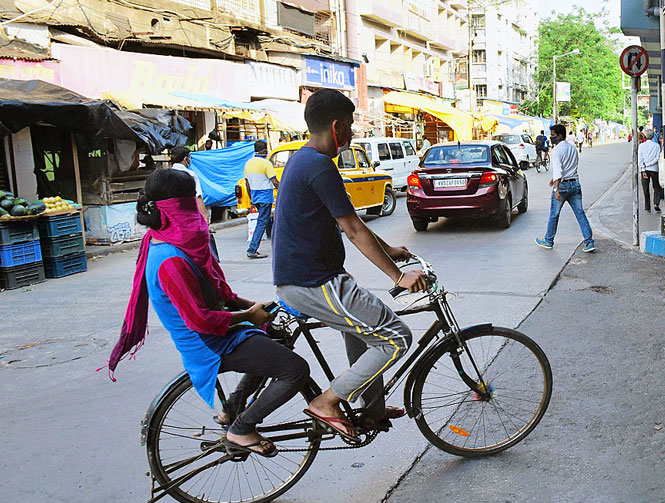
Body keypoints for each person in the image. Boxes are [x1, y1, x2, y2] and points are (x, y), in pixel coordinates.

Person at [108, 168, 309, 457]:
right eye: (189, 204)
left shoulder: (173, 242)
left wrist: (253, 306)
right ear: (175, 209)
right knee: (296, 369)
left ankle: (232, 409)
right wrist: (249, 316)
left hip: (219, 328)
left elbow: (220, 293)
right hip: (208, 341)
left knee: (278, 337)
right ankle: (242, 428)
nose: (196, 213)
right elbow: (201, 319)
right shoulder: (169, 259)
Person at [272, 88, 427, 443]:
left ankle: (371, 408)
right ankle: (327, 403)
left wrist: (389, 249)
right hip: (313, 282)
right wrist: (399, 276)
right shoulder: (319, 165)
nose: (354, 131)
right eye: (352, 124)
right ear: (337, 126)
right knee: (397, 337)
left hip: (313, 277)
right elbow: (353, 229)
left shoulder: (302, 159)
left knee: (364, 330)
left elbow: (347, 220)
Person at [535, 123, 595, 253]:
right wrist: (556, 179)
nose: (551, 138)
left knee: (554, 214)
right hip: (575, 184)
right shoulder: (572, 148)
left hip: (562, 186)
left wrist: (556, 188)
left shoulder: (556, 150)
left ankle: (548, 240)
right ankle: (589, 242)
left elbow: (558, 170)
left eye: (552, 135)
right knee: (580, 213)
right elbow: (568, 167)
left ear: (559, 135)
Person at [245, 140, 278, 259]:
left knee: (267, 220)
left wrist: (251, 199)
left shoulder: (248, 163)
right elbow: (274, 181)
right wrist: (284, 190)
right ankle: (252, 249)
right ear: (264, 151)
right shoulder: (266, 163)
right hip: (265, 196)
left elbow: (247, 183)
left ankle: (276, 243)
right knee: (262, 222)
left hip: (255, 195)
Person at [638, 129, 663, 212]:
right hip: (654, 170)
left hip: (644, 170)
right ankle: (656, 203)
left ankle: (647, 206)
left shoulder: (641, 146)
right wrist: (650, 164)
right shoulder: (657, 146)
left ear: (645, 136)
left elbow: (640, 159)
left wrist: (644, 168)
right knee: (656, 187)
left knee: (645, 189)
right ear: (653, 136)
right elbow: (657, 158)